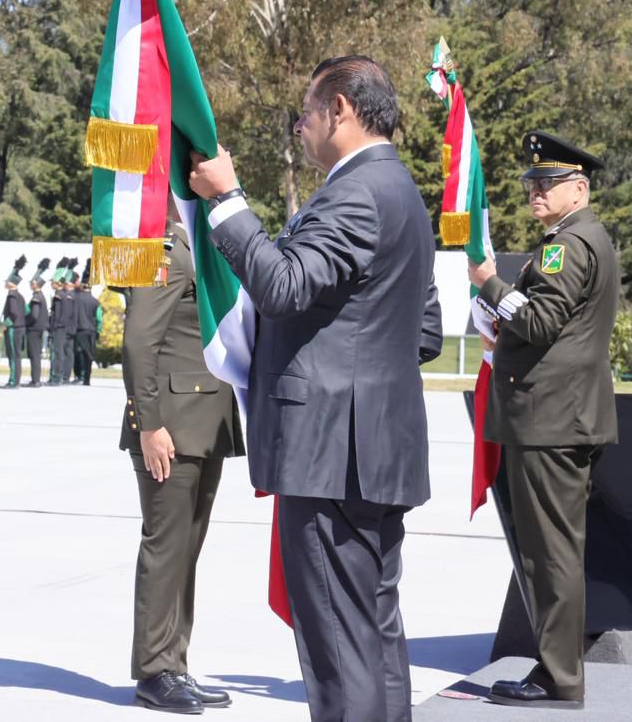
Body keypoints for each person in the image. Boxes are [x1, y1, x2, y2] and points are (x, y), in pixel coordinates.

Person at [189, 55, 442, 722]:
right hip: (373, 449)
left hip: (334, 455)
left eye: (306, 112)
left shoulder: (354, 192)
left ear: (342, 110)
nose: (300, 127)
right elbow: (427, 331)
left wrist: (226, 200)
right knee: (373, 636)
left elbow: (283, 286)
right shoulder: (402, 192)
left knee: (339, 649)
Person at [468, 132, 618, 711]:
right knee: (550, 550)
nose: (534, 192)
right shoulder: (574, 239)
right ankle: (557, 669)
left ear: (577, 189)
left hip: (551, 420)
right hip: (558, 417)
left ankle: (560, 678)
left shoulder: (568, 245)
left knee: (550, 552)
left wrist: (490, 285)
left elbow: (539, 321)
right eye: (531, 183)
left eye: (546, 184)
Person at [122, 201, 245, 714]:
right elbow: (138, 342)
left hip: (205, 422)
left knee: (186, 552)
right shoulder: (164, 249)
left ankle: (175, 664)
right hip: (170, 426)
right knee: (166, 547)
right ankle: (154, 670)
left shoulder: (201, 240)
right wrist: (149, 424)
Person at [0, 256, 28, 389]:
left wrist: (5, 324)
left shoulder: (12, 296)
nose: (5, 283)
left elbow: (14, 314)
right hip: (20, 328)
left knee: (13, 355)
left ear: (12, 283)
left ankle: (13, 381)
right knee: (17, 355)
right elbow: (26, 311)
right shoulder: (20, 296)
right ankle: (15, 380)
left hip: (13, 329)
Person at [73, 259, 100, 386]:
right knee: (89, 355)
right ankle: (87, 379)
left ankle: (80, 375)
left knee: (80, 354)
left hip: (80, 330)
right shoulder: (96, 301)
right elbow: (100, 318)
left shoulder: (76, 299)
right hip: (92, 331)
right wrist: (98, 331)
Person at [25, 258, 50, 387]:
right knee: (36, 355)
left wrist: (26, 323)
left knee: (34, 355)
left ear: (36, 284)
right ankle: (36, 379)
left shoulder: (36, 297)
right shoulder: (40, 296)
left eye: (31, 282)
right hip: (39, 329)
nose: (30, 284)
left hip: (34, 329)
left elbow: (34, 315)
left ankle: (35, 380)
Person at [48, 259, 70, 386]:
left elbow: (61, 315)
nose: (51, 284)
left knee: (58, 352)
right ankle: (55, 375)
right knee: (56, 352)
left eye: (53, 282)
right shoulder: (60, 294)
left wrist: (55, 327)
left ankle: (57, 376)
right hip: (58, 328)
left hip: (59, 328)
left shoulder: (60, 296)